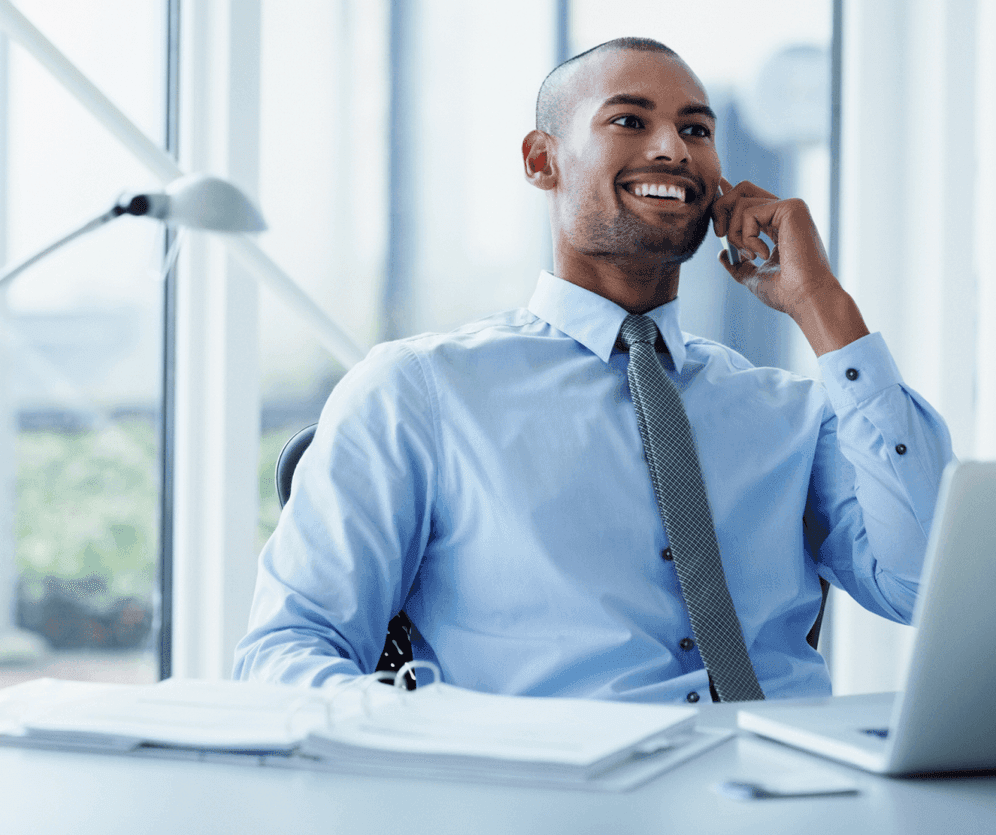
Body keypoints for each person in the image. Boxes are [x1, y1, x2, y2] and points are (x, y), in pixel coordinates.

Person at [234, 37, 954, 703]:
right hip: (549, 794)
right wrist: (440, 741)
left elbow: (927, 587)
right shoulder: (417, 391)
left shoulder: (792, 413)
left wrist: (824, 308)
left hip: (785, 789)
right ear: (541, 160)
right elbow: (287, 650)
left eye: (697, 130)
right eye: (630, 122)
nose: (673, 148)